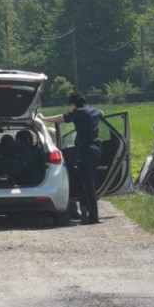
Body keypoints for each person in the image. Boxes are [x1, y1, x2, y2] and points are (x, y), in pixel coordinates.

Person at [42, 92, 103, 224]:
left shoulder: (78, 112)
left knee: (87, 185)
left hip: (85, 151)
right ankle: (87, 212)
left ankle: (92, 217)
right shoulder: (94, 111)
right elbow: (102, 113)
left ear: (74, 104)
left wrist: (44, 118)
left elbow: (60, 118)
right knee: (88, 181)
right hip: (96, 150)